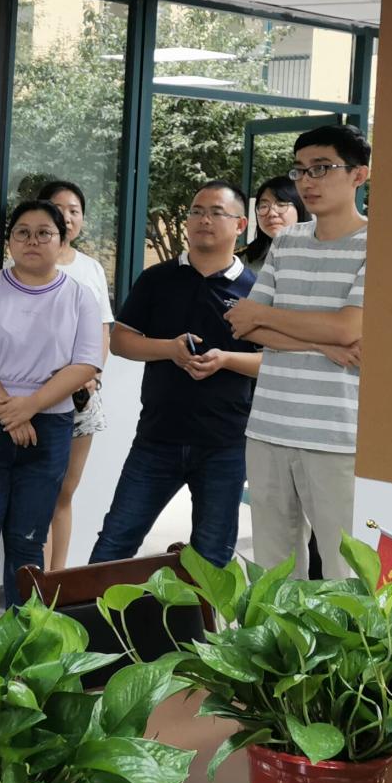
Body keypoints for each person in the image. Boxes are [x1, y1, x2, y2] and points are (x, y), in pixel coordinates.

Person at [87, 182, 261, 567]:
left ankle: (199, 615)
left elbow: (273, 361)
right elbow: (121, 341)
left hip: (225, 443)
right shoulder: (158, 278)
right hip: (157, 437)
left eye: (216, 212)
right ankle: (87, 610)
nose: (204, 220)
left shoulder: (256, 289)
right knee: (115, 543)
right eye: (197, 211)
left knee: (211, 557)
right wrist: (170, 349)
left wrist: (225, 360)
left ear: (240, 225)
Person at [225, 125, 369, 581]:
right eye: (301, 170)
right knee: (273, 569)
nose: (307, 180)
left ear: (359, 175)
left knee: (343, 569)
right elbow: (245, 324)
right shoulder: (287, 241)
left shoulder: (378, 244)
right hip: (268, 426)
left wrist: (274, 320)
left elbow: (349, 327)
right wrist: (322, 342)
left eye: (322, 168)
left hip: (336, 434)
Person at [0, 200, 102, 589]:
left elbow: (86, 365)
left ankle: (21, 629)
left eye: (44, 233)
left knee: (27, 544)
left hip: (50, 428)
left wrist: (30, 406)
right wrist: (10, 413)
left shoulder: (80, 296)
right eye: (23, 232)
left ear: (62, 241)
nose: (32, 240)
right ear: (10, 241)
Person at [33, 179, 112, 570]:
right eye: (58, 207)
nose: (66, 216)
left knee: (64, 494)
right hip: (35, 399)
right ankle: (31, 586)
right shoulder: (24, 265)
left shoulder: (91, 268)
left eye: (74, 210)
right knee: (37, 494)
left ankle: (56, 583)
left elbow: (103, 330)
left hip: (82, 398)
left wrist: (92, 377)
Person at [241, 174, 308, 273]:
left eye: (281, 204)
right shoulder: (242, 260)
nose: (271, 213)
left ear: (300, 208)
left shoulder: (322, 255)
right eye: (264, 206)